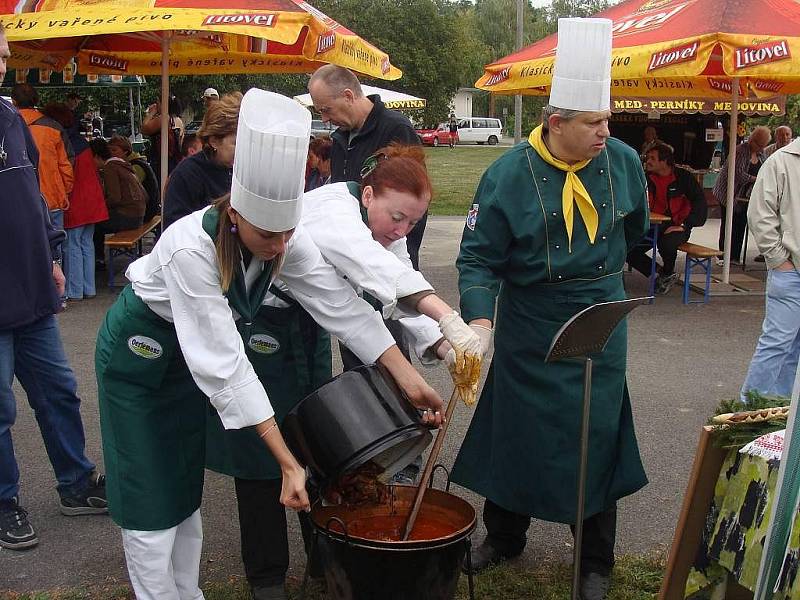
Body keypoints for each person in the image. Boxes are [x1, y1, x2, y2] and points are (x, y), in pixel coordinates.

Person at [95, 88, 457, 599]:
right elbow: (227, 367)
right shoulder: (189, 250)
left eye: (288, 233)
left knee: (181, 491)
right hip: (141, 354)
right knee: (150, 494)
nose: (281, 247)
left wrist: (409, 377)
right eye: (270, 235)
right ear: (236, 215)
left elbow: (346, 310)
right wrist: (287, 461)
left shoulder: (285, 239)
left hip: (184, 361)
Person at [451, 18, 649, 600]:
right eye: (593, 122)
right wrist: (480, 320)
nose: (605, 132)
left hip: (602, 316)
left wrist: (607, 277)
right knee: (516, 429)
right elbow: (478, 258)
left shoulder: (623, 161)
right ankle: (505, 536)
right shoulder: (507, 175)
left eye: (608, 120)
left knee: (598, 431)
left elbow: (634, 230)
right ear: (555, 121)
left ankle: (594, 560)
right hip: (531, 323)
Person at [0, 26, 107, 552]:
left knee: (59, 394)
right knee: (0, 412)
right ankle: (3, 503)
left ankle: (75, 483)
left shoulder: (10, 120)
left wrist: (52, 252)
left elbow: (33, 196)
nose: (3, 62)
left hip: (33, 292)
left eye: (4, 53)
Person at [307, 65, 427, 270]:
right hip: (345, 258)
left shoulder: (396, 129)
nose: (324, 119)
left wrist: (402, 261)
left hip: (385, 259)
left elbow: (415, 201)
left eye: (326, 109)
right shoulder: (339, 139)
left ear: (348, 96)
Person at [739, 137, 800, 403]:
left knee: (792, 349)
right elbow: (759, 215)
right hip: (791, 271)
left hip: (789, 268)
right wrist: (779, 260)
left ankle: (781, 414)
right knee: (777, 344)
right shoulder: (781, 161)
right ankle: (748, 412)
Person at [627, 142, 707, 294]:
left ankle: (667, 271)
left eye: (652, 158)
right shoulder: (645, 178)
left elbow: (699, 203)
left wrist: (685, 224)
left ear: (664, 162)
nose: (647, 161)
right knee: (627, 247)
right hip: (651, 225)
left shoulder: (684, 178)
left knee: (667, 243)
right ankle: (662, 274)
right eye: (647, 158)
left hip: (677, 225)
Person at [162, 93, 237, 229]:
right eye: (236, 143)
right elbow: (174, 229)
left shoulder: (244, 171)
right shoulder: (186, 174)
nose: (243, 150)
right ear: (214, 141)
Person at [11, 84, 74, 232]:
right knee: (55, 248)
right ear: (36, 100)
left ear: (13, 101)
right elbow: (66, 166)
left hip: (17, 200)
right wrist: (63, 192)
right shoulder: (53, 127)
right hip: (52, 198)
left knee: (25, 249)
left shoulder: (6, 127)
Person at [63, 112, 109, 301]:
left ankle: (74, 291)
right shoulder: (84, 145)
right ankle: (89, 288)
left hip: (77, 201)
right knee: (87, 244)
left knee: (72, 245)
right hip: (93, 200)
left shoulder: (67, 144)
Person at [713, 125, 771, 264]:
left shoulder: (761, 154)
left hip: (746, 196)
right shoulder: (740, 151)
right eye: (760, 145)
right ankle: (724, 255)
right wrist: (755, 179)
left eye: (764, 145)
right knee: (729, 224)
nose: (762, 148)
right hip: (729, 193)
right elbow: (738, 174)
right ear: (753, 141)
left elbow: (765, 169)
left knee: (741, 224)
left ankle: (735, 257)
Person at [90, 138, 147, 263]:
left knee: (93, 225)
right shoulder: (125, 165)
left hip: (127, 217)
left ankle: (98, 260)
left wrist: (98, 208)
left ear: (96, 156)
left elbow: (115, 198)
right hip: (138, 216)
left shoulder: (110, 168)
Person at [107, 135, 161, 222]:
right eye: (109, 150)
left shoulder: (135, 166)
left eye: (114, 150)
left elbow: (132, 191)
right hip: (148, 209)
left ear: (125, 151)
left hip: (147, 211)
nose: (110, 153)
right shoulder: (138, 162)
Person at [141, 94, 184, 186]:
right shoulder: (178, 120)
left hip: (161, 160)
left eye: (157, 103)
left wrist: (151, 113)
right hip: (175, 160)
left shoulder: (163, 118)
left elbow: (144, 129)